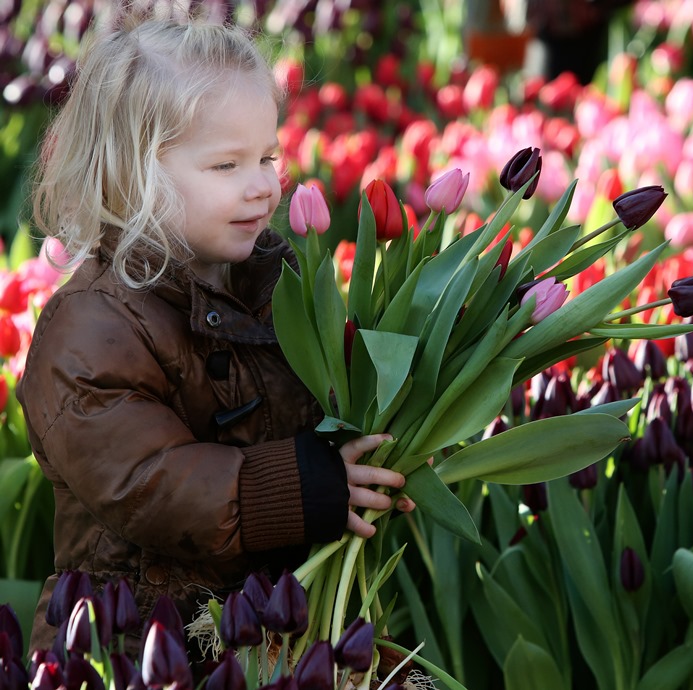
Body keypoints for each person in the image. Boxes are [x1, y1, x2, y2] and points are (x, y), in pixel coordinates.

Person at [16, 9, 411, 655]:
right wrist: (304, 486)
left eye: (268, 156)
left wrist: (380, 452)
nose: (263, 186)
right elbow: (148, 481)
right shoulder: (90, 326)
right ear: (130, 173)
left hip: (270, 620)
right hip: (145, 635)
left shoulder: (270, 286)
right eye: (226, 166)